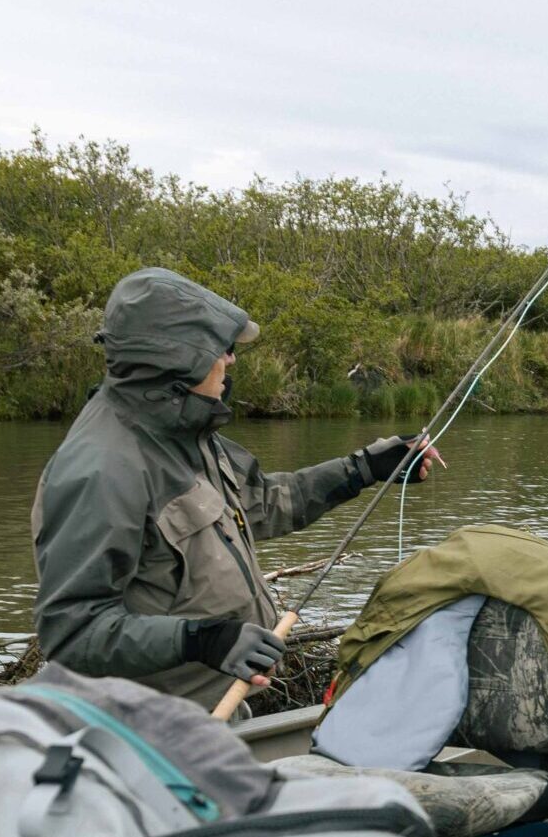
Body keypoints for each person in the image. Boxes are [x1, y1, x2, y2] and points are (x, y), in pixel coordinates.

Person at [34, 268, 441, 710]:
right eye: (222, 348)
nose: (231, 360)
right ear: (178, 358)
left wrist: (363, 468)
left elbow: (264, 503)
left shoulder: (186, 432)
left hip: (213, 714)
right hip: (143, 735)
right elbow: (72, 630)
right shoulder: (100, 471)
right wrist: (204, 640)